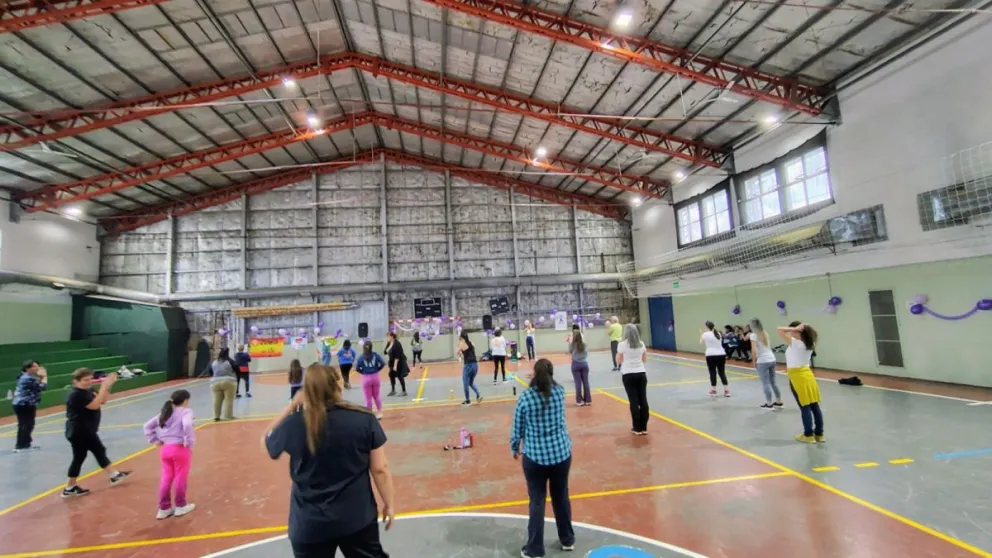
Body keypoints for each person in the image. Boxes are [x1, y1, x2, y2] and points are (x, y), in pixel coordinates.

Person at [264, 364, 395, 558]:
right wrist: (389, 504)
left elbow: (268, 439)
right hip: (356, 518)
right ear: (337, 386)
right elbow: (379, 468)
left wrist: (292, 406)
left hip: (309, 524)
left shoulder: (294, 424)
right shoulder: (364, 419)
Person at [511, 358, 575, 558]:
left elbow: (518, 427)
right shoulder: (560, 392)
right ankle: (567, 540)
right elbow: (549, 389)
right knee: (561, 496)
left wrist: (514, 447)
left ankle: (535, 548)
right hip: (561, 454)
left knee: (537, 501)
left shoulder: (526, 398)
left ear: (535, 375)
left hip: (536, 458)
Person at [63, 368, 131, 497]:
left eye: (90, 379)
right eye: (85, 380)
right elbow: (94, 405)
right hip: (79, 430)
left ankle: (70, 487)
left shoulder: (89, 390)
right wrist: (103, 387)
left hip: (86, 429)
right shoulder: (76, 395)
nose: (89, 382)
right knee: (97, 451)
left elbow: (102, 401)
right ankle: (113, 475)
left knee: (81, 457)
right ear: (76, 381)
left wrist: (108, 386)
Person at [143, 389, 196, 519]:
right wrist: (189, 441)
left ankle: (164, 508)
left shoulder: (165, 412)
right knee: (180, 477)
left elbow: (147, 426)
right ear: (185, 401)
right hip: (180, 449)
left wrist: (155, 440)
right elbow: (187, 424)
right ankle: (181, 505)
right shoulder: (186, 411)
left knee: (166, 478)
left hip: (165, 449)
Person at [777, 322, 824, 443]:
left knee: (805, 406)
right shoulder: (809, 343)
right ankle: (819, 434)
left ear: (800, 334)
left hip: (798, 377)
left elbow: (779, 330)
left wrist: (794, 327)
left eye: (795, 331)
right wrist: (800, 328)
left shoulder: (797, 343)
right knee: (814, 406)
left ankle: (808, 435)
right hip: (808, 375)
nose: (792, 332)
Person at [616, 324, 649, 435]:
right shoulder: (641, 344)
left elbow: (618, 360)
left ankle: (636, 427)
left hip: (628, 374)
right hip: (641, 373)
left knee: (633, 401)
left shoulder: (622, 345)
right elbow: (644, 359)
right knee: (643, 400)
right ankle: (644, 427)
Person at [12, 360, 47, 453]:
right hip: (24, 405)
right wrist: (44, 377)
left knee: (28, 425)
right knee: (25, 425)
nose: (37, 368)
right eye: (35, 366)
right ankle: (20, 445)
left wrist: (40, 377)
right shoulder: (27, 378)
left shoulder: (26, 376)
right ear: (28, 368)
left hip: (26, 404)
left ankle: (26, 444)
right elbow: (42, 387)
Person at [750, 318, 782, 409]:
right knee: (773, 382)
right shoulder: (765, 333)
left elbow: (754, 350)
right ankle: (779, 400)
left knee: (765, 383)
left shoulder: (753, 335)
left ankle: (769, 403)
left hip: (763, 360)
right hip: (772, 358)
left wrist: (754, 360)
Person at [355, 341, 386, 419]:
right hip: (375, 377)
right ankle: (379, 413)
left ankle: (369, 415)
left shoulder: (361, 357)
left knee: (368, 398)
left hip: (366, 378)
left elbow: (357, 368)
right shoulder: (376, 355)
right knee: (376, 396)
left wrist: (363, 372)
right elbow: (382, 363)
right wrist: (377, 369)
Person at [701, 321, 729, 397]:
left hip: (711, 355)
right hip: (721, 354)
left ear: (707, 327)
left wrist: (701, 334)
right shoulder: (718, 333)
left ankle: (714, 390)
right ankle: (726, 391)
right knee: (722, 373)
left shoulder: (705, 334)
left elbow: (701, 342)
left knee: (712, 373)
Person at [210, 348, 238, 421]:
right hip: (229, 381)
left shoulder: (214, 362)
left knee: (217, 400)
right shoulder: (230, 361)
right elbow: (237, 368)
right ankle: (228, 416)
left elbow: (210, 371)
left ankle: (216, 416)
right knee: (228, 400)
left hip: (215, 382)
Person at [457, 332, 482, 406]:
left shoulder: (462, 344)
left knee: (465, 383)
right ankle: (478, 393)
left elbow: (457, 352)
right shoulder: (471, 343)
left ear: (462, 337)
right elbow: (466, 351)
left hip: (468, 365)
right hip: (475, 365)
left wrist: (459, 346)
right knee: (470, 382)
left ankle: (467, 401)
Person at [568, 326, 590, 407]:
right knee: (586, 382)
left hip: (576, 364)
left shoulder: (572, 345)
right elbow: (586, 353)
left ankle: (580, 401)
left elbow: (570, 351)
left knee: (578, 383)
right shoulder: (585, 344)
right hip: (584, 363)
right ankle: (587, 400)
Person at [384, 332, 409, 397]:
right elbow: (385, 352)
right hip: (392, 362)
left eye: (388, 336)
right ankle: (393, 390)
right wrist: (388, 346)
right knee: (391, 375)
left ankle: (404, 391)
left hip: (399, 362)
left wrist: (395, 366)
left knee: (400, 375)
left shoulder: (397, 344)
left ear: (392, 336)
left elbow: (397, 356)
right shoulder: (389, 343)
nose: (387, 338)